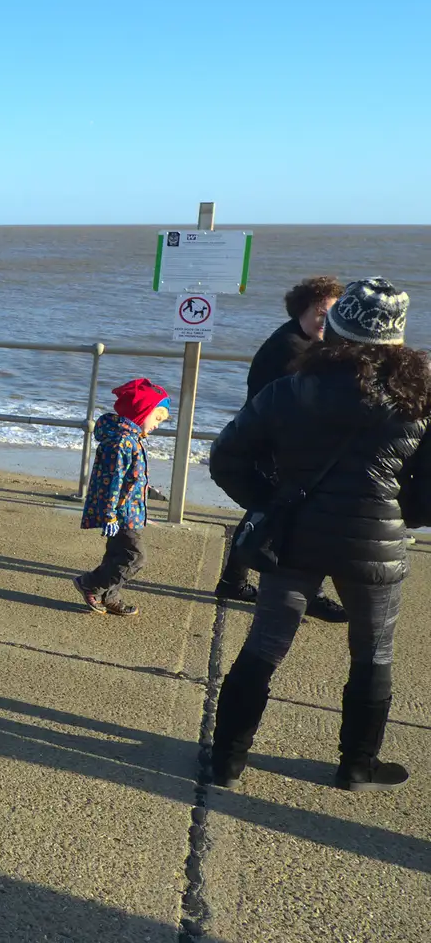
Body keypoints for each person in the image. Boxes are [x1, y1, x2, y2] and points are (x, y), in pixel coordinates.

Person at [209, 277, 431, 792]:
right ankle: (357, 766)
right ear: (397, 341)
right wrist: (400, 513)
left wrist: (268, 500)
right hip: (376, 544)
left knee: (264, 646)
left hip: (294, 537)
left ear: (331, 330)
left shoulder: (288, 390)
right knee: (373, 652)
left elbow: (225, 458)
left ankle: (227, 763)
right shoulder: (419, 401)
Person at [215, 276, 348, 622]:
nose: (325, 322)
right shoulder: (291, 348)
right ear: (302, 310)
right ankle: (308, 593)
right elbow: (301, 403)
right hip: (272, 444)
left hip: (268, 439)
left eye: (332, 315)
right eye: (320, 313)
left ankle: (233, 581)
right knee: (287, 513)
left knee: (265, 511)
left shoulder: (303, 341)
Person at [73, 379, 171, 616]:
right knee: (135, 557)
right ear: (141, 412)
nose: (158, 425)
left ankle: (110, 595)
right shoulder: (122, 442)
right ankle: (92, 584)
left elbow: (132, 478)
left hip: (129, 510)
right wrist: (109, 515)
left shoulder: (132, 438)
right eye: (156, 418)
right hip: (119, 513)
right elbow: (113, 482)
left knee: (116, 555)